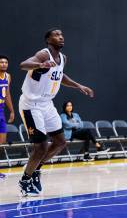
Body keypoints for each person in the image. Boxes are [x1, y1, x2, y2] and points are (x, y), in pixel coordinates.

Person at [18, 29, 94, 197]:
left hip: (47, 104)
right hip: (31, 104)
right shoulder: (43, 55)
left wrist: (79, 86)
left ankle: (36, 168)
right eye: (56, 35)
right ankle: (25, 179)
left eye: (62, 35)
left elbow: (60, 76)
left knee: (60, 142)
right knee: (41, 147)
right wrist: (40, 65)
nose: (61, 37)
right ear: (48, 40)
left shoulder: (63, 59)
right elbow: (23, 64)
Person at [0, 55, 15, 181]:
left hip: (2, 111)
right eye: (1, 62)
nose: (4, 64)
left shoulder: (8, 76)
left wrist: (12, 111)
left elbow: (7, 94)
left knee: (2, 142)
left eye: (5, 62)